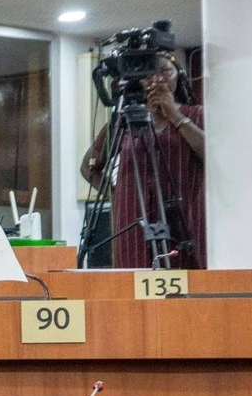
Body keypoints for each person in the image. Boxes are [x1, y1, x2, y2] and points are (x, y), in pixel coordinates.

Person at [80, 51, 206, 269]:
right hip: (132, 226)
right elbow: (88, 167)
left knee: (185, 292)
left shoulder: (196, 114)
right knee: (134, 290)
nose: (157, 80)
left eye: (165, 71)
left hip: (184, 223)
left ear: (179, 75)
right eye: (148, 74)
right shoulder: (123, 121)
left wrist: (174, 116)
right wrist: (117, 193)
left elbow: (213, 156)